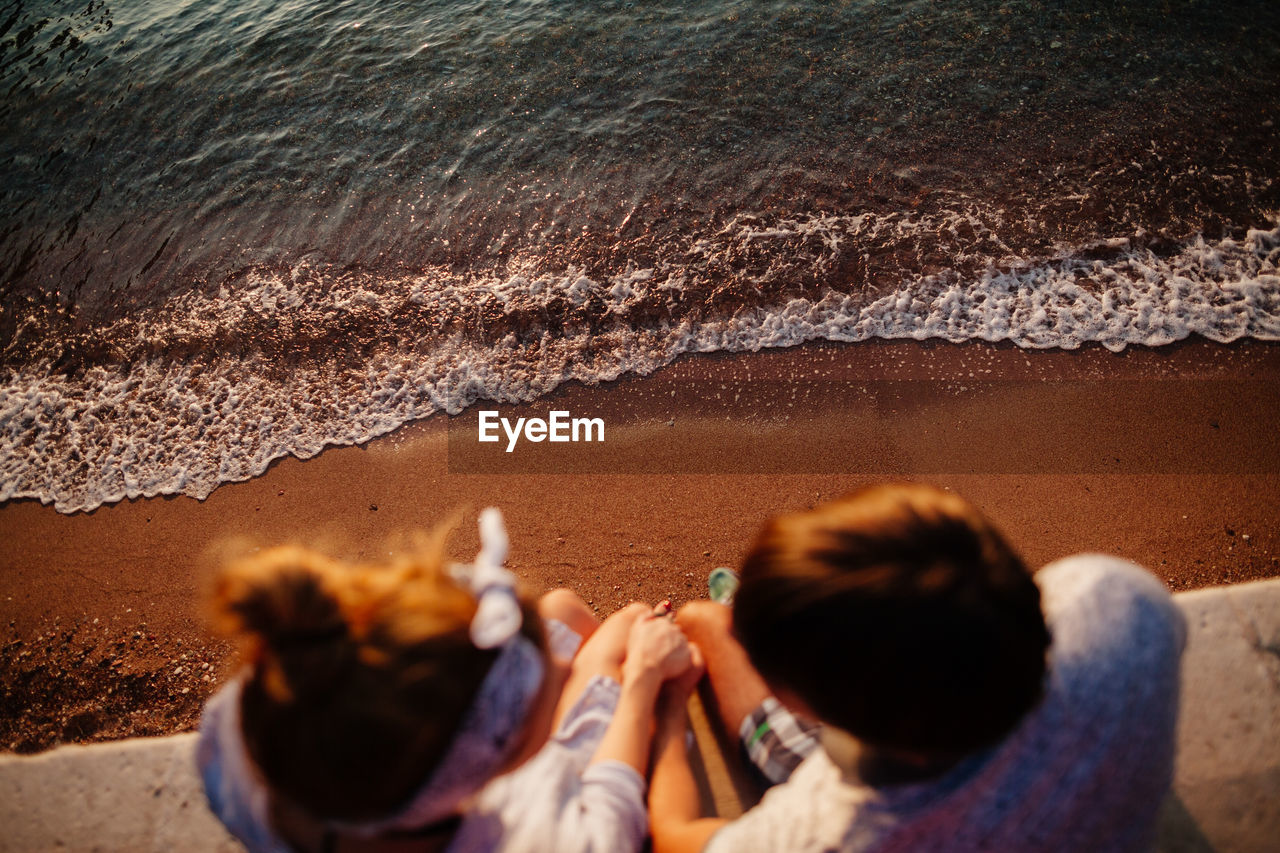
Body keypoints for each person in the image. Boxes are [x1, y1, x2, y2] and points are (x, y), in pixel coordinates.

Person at [650, 483, 1187, 853]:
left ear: (811, 710)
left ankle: (714, 619)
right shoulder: (1123, 608)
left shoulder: (813, 832)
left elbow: (675, 834)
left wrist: (671, 706)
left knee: (704, 622)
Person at [197, 508, 694, 853]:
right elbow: (614, 803)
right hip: (553, 790)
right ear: (493, 763)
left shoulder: (249, 744)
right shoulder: (549, 837)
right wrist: (644, 677)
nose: (557, 671)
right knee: (627, 626)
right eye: (541, 687)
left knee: (560, 610)